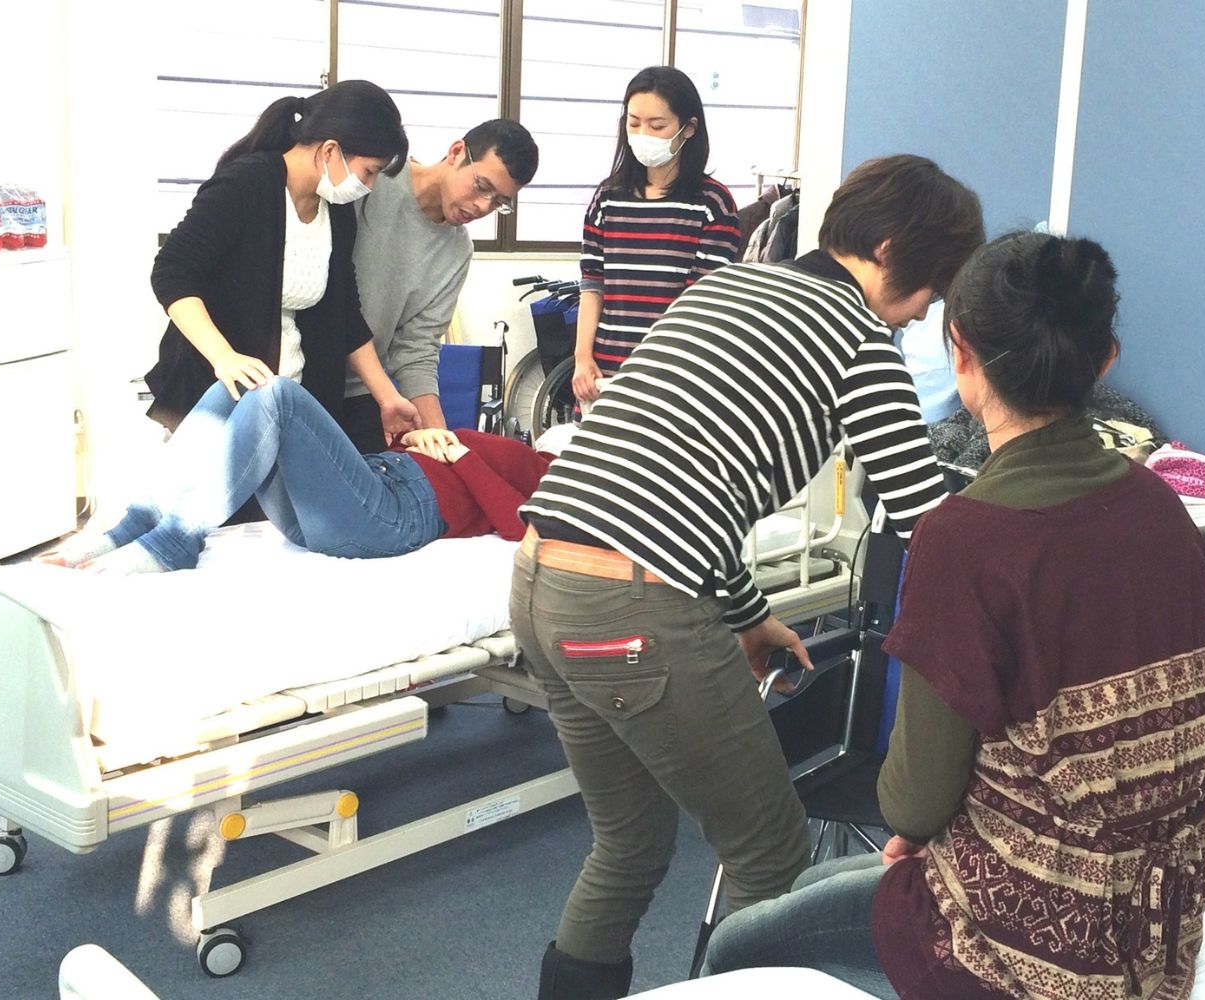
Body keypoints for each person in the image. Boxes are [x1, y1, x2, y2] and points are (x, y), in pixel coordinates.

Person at [511, 154, 984, 999]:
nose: (923, 312)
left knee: (628, 844)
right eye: (930, 289)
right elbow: (929, 521)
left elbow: (679, 485)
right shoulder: (858, 339)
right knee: (771, 855)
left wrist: (747, 614)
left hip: (540, 578)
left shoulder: (722, 288)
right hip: (630, 605)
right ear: (888, 250)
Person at [702, 232, 1205, 1000]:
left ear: (961, 353)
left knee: (740, 943)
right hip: (1157, 917)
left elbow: (911, 802)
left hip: (1035, 938)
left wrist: (918, 837)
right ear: (1105, 360)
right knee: (819, 883)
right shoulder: (1162, 509)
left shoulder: (964, 536)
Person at [144, 79, 419, 444]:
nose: (369, 186)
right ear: (331, 150)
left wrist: (388, 398)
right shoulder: (247, 183)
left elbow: (345, 312)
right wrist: (224, 357)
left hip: (288, 402)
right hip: (217, 400)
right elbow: (172, 271)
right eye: (370, 171)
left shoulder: (336, 211)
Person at [45, 377, 551, 573]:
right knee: (235, 388)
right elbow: (435, 467)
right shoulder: (538, 451)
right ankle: (138, 522)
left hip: (392, 517)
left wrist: (461, 455)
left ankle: (178, 539)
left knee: (278, 396)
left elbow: (520, 527)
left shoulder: (557, 475)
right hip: (376, 486)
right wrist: (417, 440)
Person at [341, 120, 541, 453]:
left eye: (498, 202)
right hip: (303, 372)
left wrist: (443, 442)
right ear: (456, 152)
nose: (482, 206)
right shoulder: (375, 177)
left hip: (364, 394)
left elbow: (416, 349)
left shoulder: (457, 251)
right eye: (481, 186)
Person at [570, 65, 742, 403]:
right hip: (604, 375)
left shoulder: (713, 204)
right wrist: (582, 358)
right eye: (633, 123)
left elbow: (700, 302)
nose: (642, 134)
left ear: (688, 128)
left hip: (676, 378)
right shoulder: (607, 198)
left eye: (657, 126)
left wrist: (660, 371)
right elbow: (592, 284)